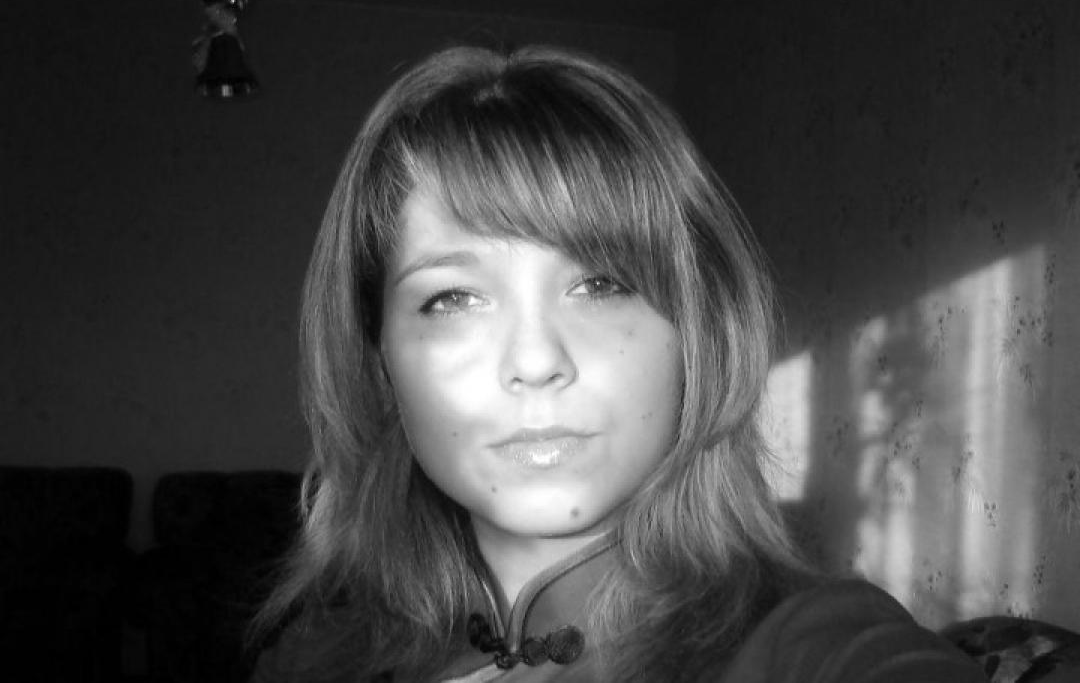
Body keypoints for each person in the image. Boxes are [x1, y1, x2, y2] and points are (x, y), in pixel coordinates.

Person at [250, 45, 985, 682]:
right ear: (379, 359)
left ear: (694, 335)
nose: (536, 360)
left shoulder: (809, 642)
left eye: (601, 284)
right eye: (454, 299)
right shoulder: (309, 659)